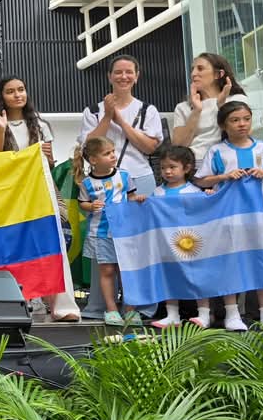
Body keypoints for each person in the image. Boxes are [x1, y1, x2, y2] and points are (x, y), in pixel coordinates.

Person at [0, 76, 81, 322]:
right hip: (9, 191)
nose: (18, 95)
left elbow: (48, 162)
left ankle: (61, 305)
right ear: (1, 96)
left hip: (39, 186)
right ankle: (15, 301)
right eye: (11, 91)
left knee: (51, 241)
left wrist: (48, 158)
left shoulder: (39, 124)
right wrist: (2, 128)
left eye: (21, 90)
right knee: (13, 244)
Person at [78, 54, 162, 320]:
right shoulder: (92, 110)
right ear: (109, 76)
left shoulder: (147, 110)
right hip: (102, 183)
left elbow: (150, 146)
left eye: (129, 72)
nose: (123, 77)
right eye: (118, 72)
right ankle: (103, 307)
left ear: (137, 76)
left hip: (137, 180)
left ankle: (138, 307)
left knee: (138, 247)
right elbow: (87, 147)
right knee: (103, 246)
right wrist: (107, 115)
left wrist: (122, 121)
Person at [194, 101, 263, 330]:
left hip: (258, 217)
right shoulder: (217, 151)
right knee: (229, 263)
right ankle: (232, 314)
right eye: (235, 120)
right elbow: (201, 180)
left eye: (246, 119)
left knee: (262, 261)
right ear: (224, 125)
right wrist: (224, 176)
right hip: (227, 218)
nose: (242, 124)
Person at [73, 136, 146, 327]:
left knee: (126, 272)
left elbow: (130, 197)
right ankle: (111, 309)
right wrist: (91, 206)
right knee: (107, 270)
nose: (113, 156)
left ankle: (130, 310)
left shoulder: (124, 176)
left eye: (113, 151)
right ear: (94, 160)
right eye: (107, 153)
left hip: (124, 233)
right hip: (101, 233)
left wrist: (138, 200)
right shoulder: (87, 183)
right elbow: (83, 204)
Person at [149, 146, 206, 329]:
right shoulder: (157, 193)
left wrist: (210, 198)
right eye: (164, 167)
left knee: (197, 277)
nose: (167, 171)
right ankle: (172, 314)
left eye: (172, 167)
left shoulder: (194, 192)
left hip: (190, 244)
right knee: (169, 277)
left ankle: (204, 314)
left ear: (186, 168)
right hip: (166, 244)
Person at [172, 52, 247, 161]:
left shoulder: (236, 99)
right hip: (195, 164)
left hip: (229, 162)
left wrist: (221, 106)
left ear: (218, 74)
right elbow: (178, 146)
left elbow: (243, 135)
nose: (193, 74)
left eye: (200, 69)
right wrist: (196, 111)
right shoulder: (182, 107)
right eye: (192, 69)